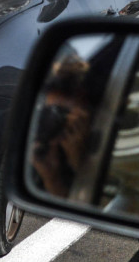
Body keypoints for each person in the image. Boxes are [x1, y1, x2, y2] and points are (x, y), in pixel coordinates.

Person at [31, 54, 96, 200]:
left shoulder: (104, 144)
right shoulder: (50, 151)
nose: (55, 121)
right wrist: (52, 179)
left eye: (62, 113)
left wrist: (82, 163)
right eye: (50, 112)